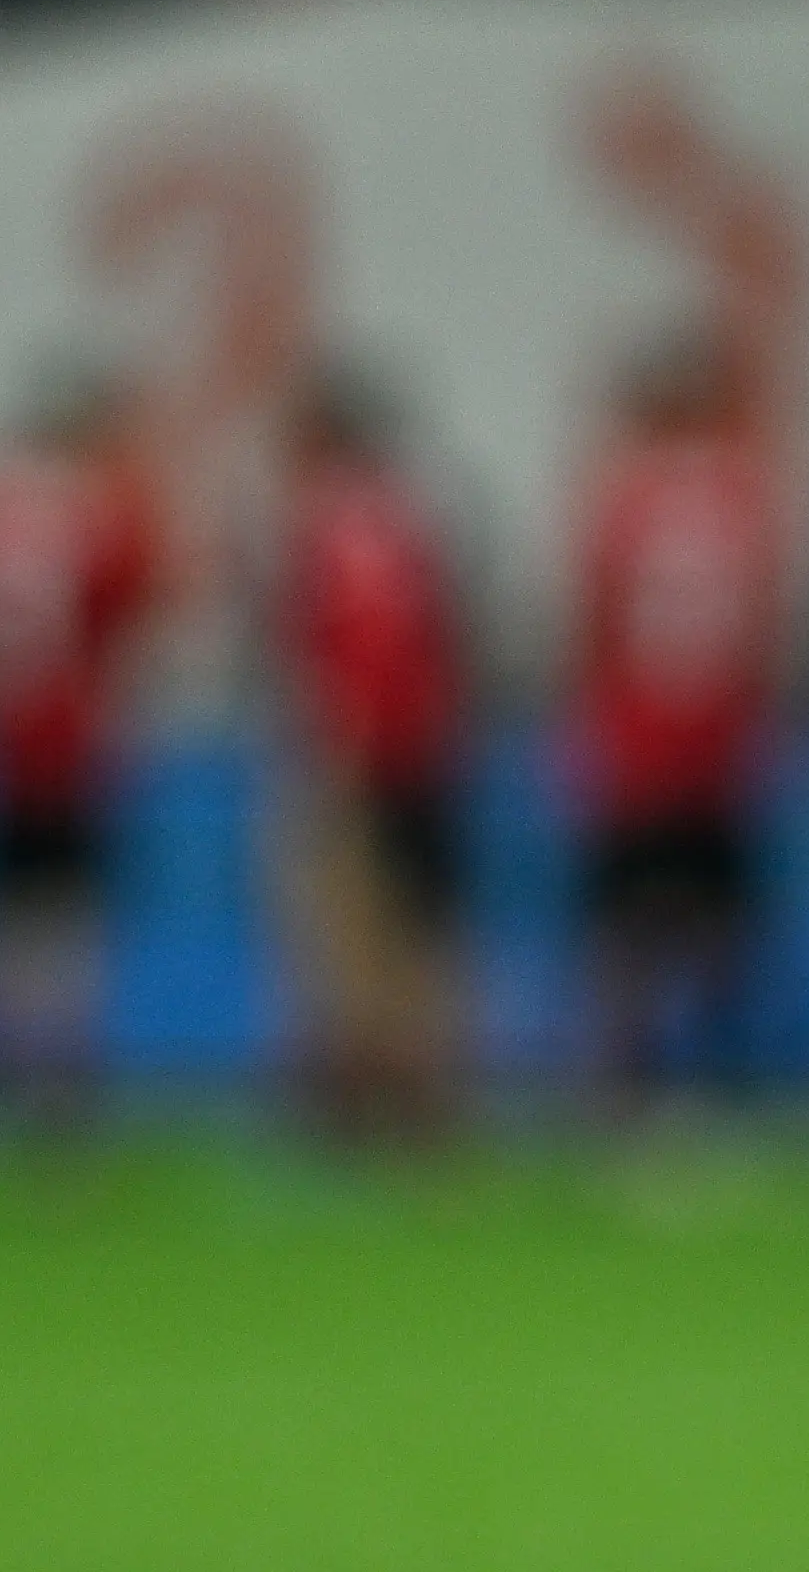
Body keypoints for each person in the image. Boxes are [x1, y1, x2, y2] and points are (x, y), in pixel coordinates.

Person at [0, 375, 160, 1114]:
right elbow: (129, 608)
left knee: (4, 906)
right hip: (70, 737)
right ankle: (60, 1074)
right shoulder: (95, 511)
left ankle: (9, 1062)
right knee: (68, 908)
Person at [570, 343, 783, 1099]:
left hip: (636, 741)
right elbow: (761, 624)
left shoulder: (626, 492)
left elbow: (593, 619)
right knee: (717, 920)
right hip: (717, 742)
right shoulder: (736, 489)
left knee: (626, 925)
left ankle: (626, 1081)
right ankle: (724, 1075)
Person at [274, 371, 467, 1139]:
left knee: (353, 934)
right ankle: (420, 1104)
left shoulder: (338, 526)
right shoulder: (412, 517)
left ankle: (369, 1105)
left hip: (364, 755)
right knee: (418, 932)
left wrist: (341, 756)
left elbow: (361, 652)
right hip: (425, 751)